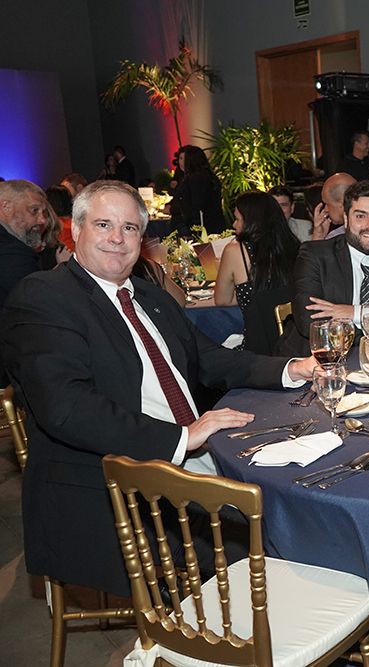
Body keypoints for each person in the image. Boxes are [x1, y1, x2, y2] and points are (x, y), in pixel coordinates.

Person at [0, 180, 319, 598]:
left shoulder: (149, 296)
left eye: (130, 228)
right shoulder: (45, 297)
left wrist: (292, 368)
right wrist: (182, 437)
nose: (118, 238)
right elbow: (67, 408)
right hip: (120, 488)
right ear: (75, 230)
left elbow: (212, 358)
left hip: (190, 460)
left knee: (304, 496)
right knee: (276, 534)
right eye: (103, 224)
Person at [277, 180, 369, 355]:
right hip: (319, 361)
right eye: (361, 216)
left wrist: (357, 313)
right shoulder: (315, 256)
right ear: (346, 220)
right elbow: (310, 323)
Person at [215, 191, 299, 353]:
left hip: (257, 349)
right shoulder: (293, 247)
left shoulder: (236, 250)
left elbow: (222, 300)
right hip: (293, 345)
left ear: (252, 221)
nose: (234, 225)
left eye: (238, 219)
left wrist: (244, 294)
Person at [0, 180, 47, 309]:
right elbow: (38, 301)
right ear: (6, 207)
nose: (42, 220)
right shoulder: (12, 252)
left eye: (43, 212)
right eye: (34, 210)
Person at [171, 144, 226, 234]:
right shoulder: (209, 176)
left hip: (202, 227)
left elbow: (194, 205)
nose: (180, 162)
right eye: (180, 158)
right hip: (213, 225)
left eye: (183, 159)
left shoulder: (195, 178)